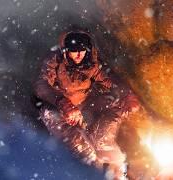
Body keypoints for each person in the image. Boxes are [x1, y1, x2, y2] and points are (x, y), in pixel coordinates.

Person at [34, 30, 140, 176]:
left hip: (83, 106)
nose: (78, 55)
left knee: (110, 116)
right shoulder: (55, 61)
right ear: (66, 50)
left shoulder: (91, 63)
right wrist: (62, 102)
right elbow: (41, 85)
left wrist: (127, 94)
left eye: (82, 50)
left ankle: (122, 164)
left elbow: (109, 78)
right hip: (58, 109)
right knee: (82, 149)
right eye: (73, 51)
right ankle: (92, 171)